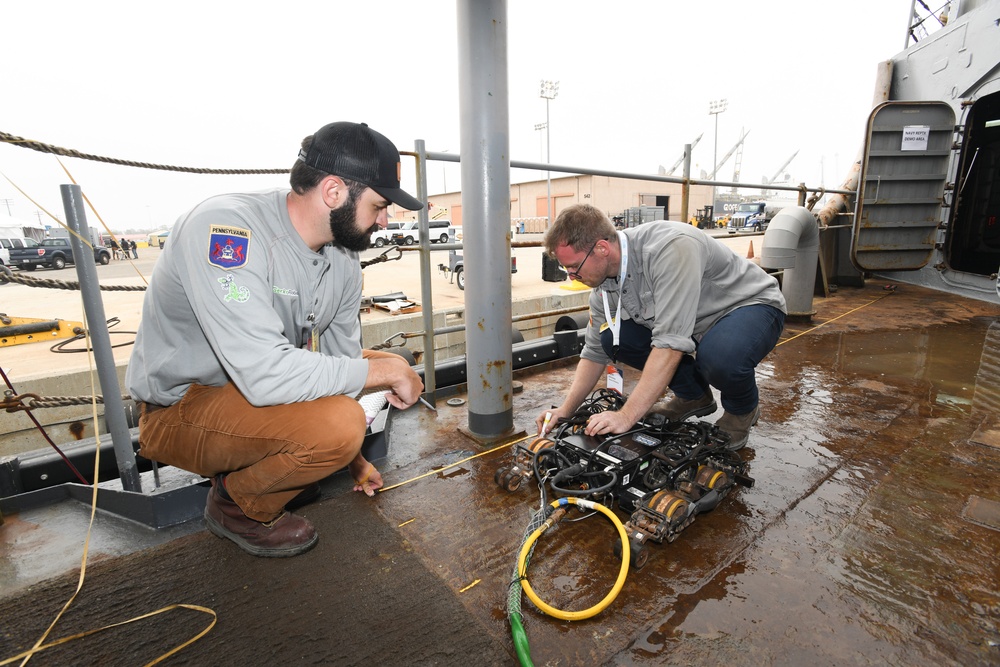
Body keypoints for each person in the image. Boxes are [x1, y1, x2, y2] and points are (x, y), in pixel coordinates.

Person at [126, 122, 425, 558]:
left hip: (249, 397)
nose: (385, 219)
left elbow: (342, 368)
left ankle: (255, 467)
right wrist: (389, 370)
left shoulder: (342, 261)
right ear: (334, 191)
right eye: (380, 205)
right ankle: (236, 507)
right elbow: (268, 374)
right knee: (347, 414)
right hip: (179, 408)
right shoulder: (225, 230)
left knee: (349, 408)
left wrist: (353, 460)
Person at [535, 204, 786, 451]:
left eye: (574, 267)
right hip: (691, 324)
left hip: (746, 306)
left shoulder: (670, 249)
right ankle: (693, 396)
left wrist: (626, 416)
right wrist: (565, 411)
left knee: (721, 356)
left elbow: (670, 344)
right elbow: (593, 354)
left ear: (602, 248)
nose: (570, 276)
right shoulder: (604, 285)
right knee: (612, 338)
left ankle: (742, 410)